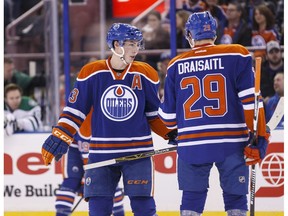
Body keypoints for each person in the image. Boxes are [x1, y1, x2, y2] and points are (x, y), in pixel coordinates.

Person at [41, 23, 177, 216]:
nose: (135, 49)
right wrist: (61, 134)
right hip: (102, 153)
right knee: (98, 207)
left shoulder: (146, 73)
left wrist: (171, 132)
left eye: (137, 44)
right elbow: (75, 110)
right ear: (115, 44)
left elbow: (153, 115)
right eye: (130, 44)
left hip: (138, 153)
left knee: (143, 205)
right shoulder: (92, 72)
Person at [158, 11, 269, 216]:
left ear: (190, 36)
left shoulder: (175, 65)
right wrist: (260, 136)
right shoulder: (237, 53)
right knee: (236, 199)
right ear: (214, 34)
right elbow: (252, 103)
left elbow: (167, 119)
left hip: (192, 144)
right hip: (232, 142)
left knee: (191, 199)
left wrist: (176, 132)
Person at [55, 112, 125, 216]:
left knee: (108, 181)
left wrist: (87, 179)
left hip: (101, 150)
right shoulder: (81, 113)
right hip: (73, 143)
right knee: (70, 182)